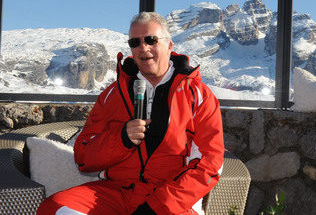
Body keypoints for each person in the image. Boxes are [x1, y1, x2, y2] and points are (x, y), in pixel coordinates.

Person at [38, 12, 225, 215]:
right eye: (135, 42)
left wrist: (157, 207)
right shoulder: (113, 94)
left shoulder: (198, 95)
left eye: (151, 40)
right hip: (116, 192)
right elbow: (83, 158)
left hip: (168, 199)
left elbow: (209, 164)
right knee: (54, 209)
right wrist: (121, 139)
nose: (143, 48)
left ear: (169, 45)